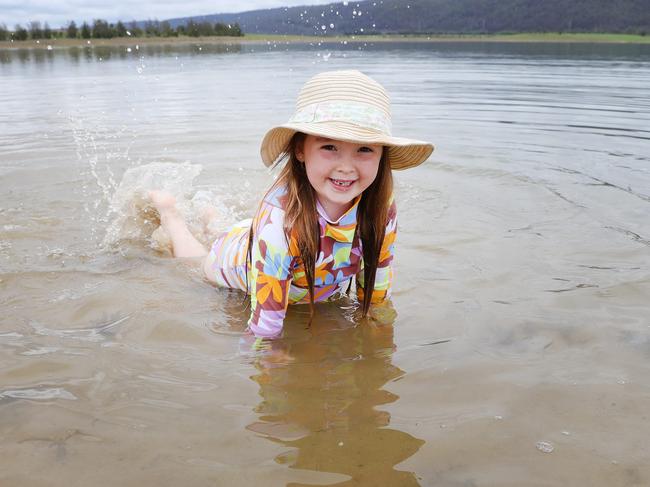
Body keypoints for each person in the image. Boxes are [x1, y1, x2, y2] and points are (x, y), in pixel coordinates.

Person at [149, 70, 433, 344]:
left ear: (382, 156)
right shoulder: (280, 223)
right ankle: (171, 214)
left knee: (250, 235)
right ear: (300, 150)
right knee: (199, 261)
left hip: (265, 241)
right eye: (329, 147)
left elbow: (376, 292)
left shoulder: (382, 207)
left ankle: (214, 219)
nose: (346, 167)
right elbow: (264, 331)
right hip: (237, 262)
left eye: (365, 149)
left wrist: (379, 337)